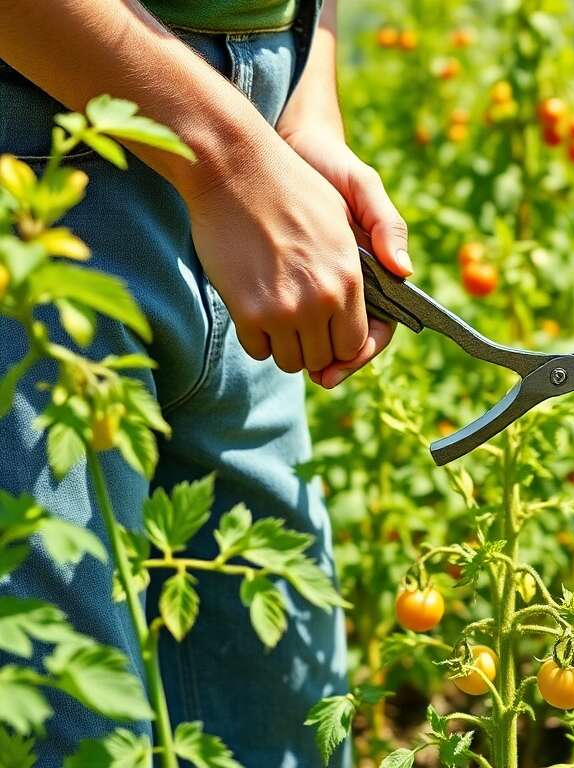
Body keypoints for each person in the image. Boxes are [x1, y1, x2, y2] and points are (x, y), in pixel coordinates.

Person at [0, 1, 404, 764]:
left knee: (287, 735)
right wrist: (222, 155)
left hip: (265, 161)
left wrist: (307, 105)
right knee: (66, 731)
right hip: (37, 153)